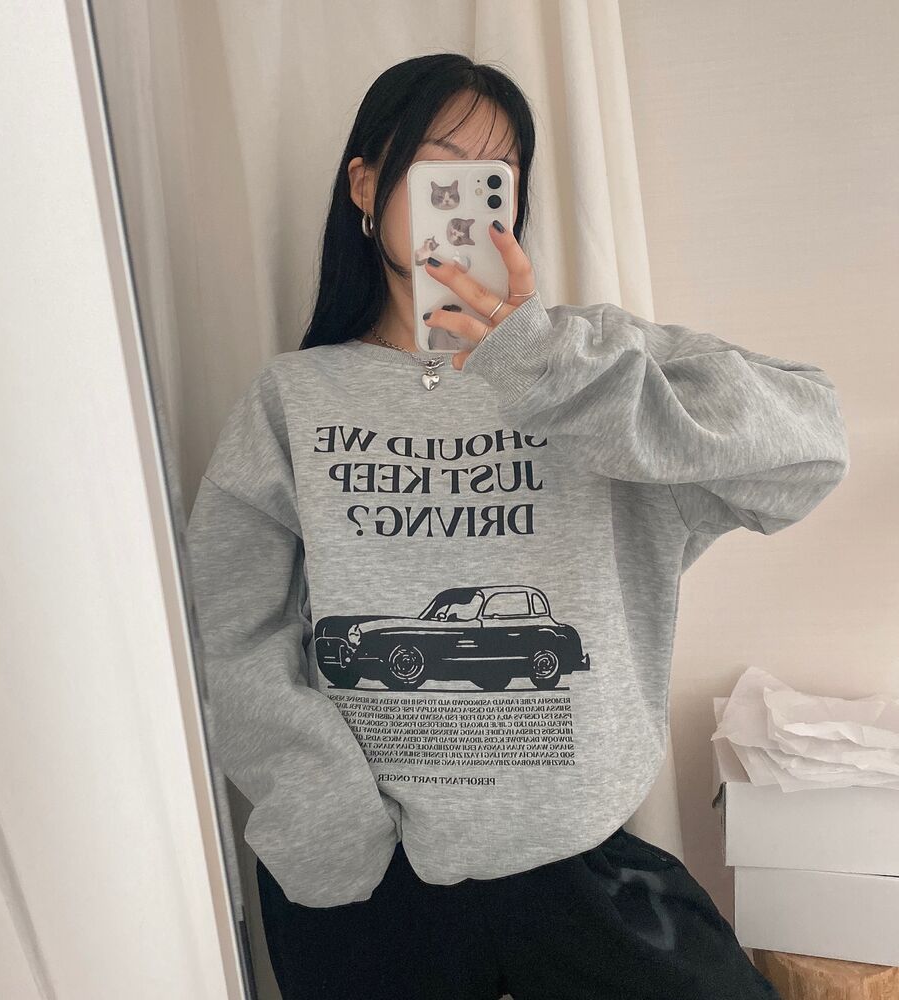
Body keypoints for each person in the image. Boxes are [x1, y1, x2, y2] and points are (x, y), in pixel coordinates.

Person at [185, 53, 849, 999]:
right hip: (369, 882)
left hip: (578, 870)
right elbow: (232, 629)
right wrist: (325, 815)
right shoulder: (294, 399)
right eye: (441, 165)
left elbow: (809, 448)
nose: (469, 198)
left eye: (495, 176)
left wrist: (540, 363)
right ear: (367, 186)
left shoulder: (588, 362)